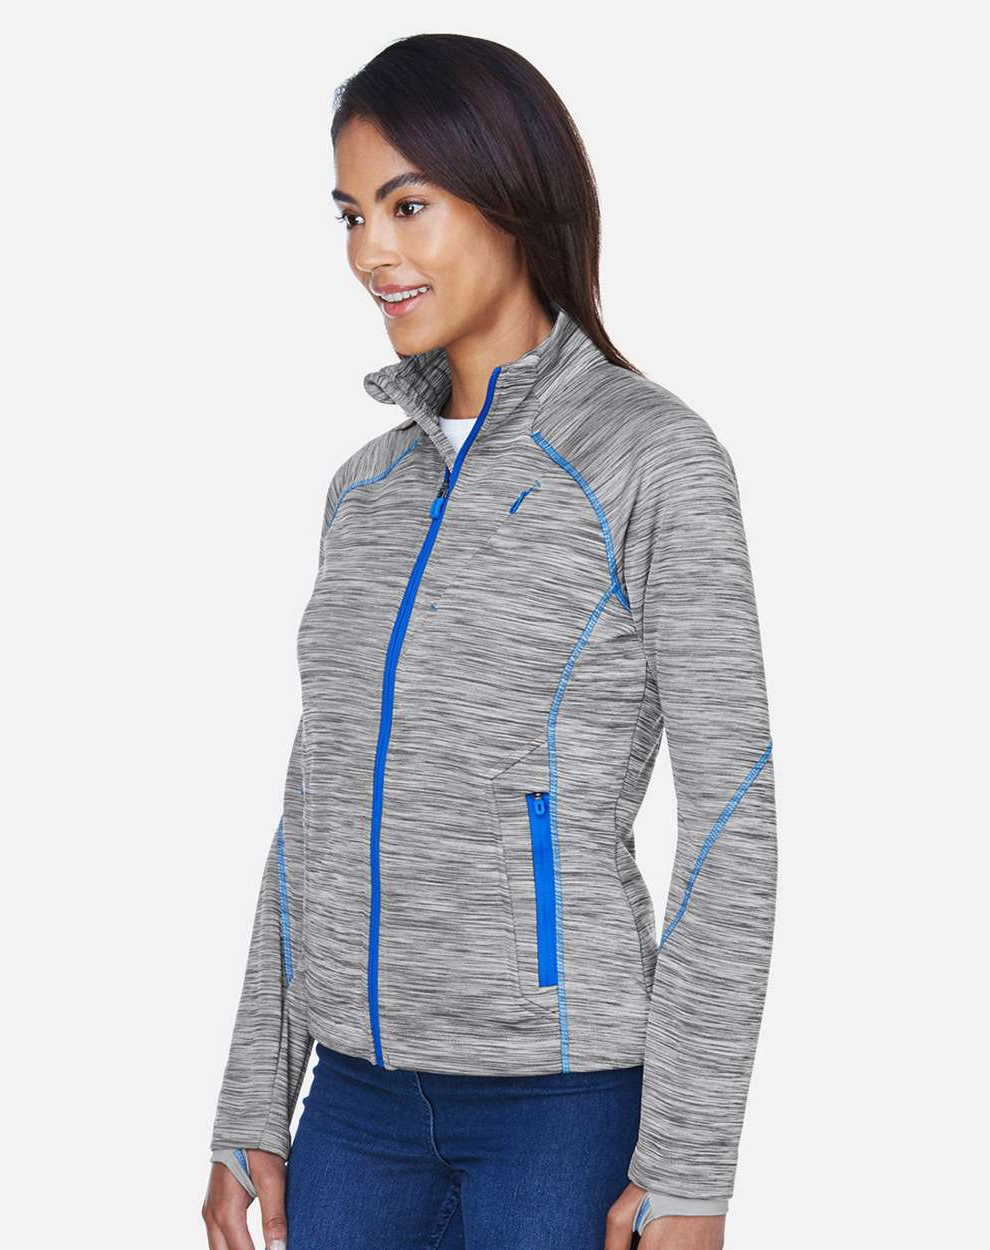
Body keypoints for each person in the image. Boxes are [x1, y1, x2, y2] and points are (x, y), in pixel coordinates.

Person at [202, 32, 776, 1250]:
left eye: (407, 205)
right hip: (351, 1106)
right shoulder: (363, 491)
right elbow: (313, 801)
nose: (370, 251)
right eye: (351, 213)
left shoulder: (650, 458)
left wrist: (690, 1162)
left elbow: (733, 812)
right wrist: (255, 1093)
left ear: (513, 197)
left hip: (559, 1109)